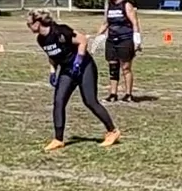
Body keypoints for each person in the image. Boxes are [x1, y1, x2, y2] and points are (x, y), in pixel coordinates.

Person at [27, 10, 118, 151]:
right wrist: (52, 71)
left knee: (90, 101)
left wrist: (78, 61)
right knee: (59, 101)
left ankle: (112, 131)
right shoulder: (41, 39)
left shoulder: (60, 31)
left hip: (84, 66)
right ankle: (58, 139)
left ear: (38, 23)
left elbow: (82, 40)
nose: (28, 26)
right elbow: (52, 55)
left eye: (29, 24)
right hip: (67, 70)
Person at [99, 0, 143, 103]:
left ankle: (128, 94)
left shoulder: (126, 5)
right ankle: (113, 94)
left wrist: (137, 39)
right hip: (111, 40)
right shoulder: (109, 7)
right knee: (113, 67)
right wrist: (97, 36)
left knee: (126, 68)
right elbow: (106, 23)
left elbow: (134, 22)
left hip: (125, 40)